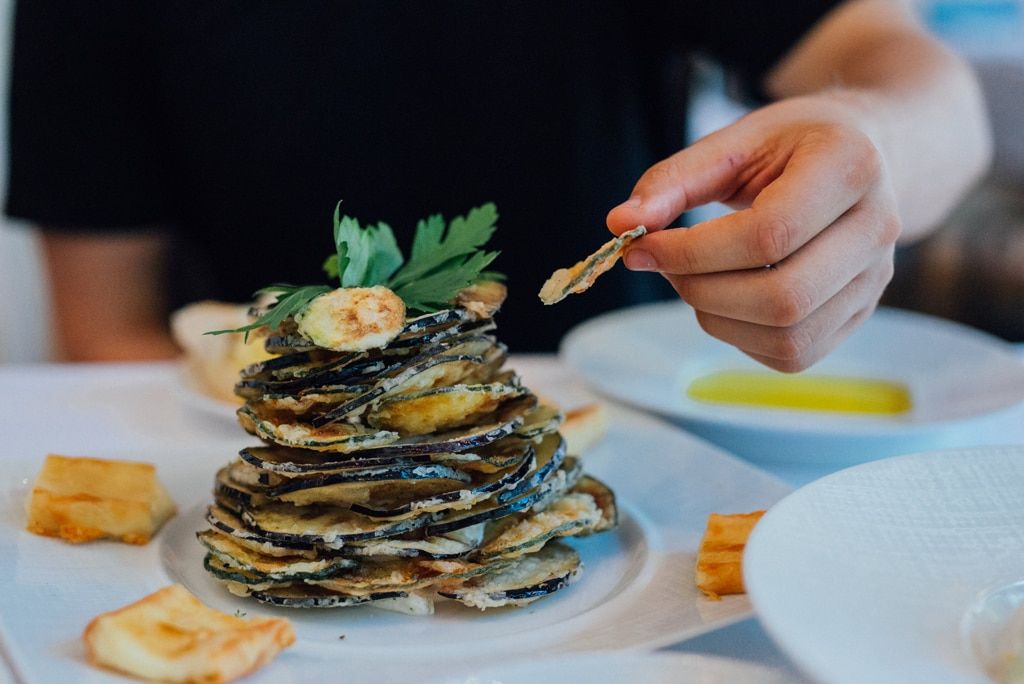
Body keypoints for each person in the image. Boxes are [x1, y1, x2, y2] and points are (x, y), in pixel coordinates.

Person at [6, 1, 990, 368]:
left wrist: (870, 141)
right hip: (259, 441)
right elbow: (107, 332)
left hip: (631, 442)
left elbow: (919, 80)